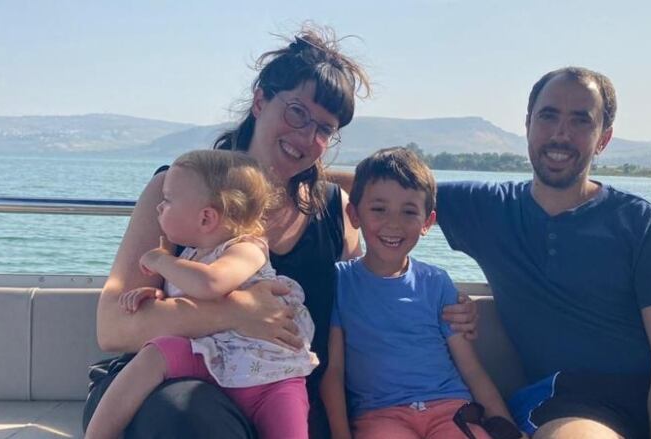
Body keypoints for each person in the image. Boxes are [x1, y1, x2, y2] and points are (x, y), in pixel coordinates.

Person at [84, 24, 477, 439]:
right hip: (172, 387)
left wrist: (446, 311)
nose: (306, 136)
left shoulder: (334, 212)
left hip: (280, 391)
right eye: (296, 113)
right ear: (259, 101)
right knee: (188, 415)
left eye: (324, 129)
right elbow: (113, 328)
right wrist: (235, 313)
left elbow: (367, 302)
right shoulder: (175, 192)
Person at [433, 67, 651, 438]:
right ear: (528, 124)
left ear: (603, 138)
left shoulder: (639, 222)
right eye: (549, 116)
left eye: (581, 120)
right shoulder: (487, 208)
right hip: (572, 396)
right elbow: (381, 190)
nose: (561, 133)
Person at [85, 150, 316, 439]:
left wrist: (161, 261)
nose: (158, 208)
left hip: (270, 379)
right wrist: (157, 295)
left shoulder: (247, 248)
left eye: (167, 201)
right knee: (153, 355)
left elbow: (211, 284)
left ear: (206, 218)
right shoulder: (193, 257)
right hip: (213, 358)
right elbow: (193, 297)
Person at [320, 147, 524, 439]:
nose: (394, 223)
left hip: (451, 409)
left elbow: (472, 369)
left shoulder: (437, 282)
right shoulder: (339, 282)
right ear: (354, 214)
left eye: (409, 212)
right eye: (379, 209)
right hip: (380, 414)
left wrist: (507, 428)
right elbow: (334, 371)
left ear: (427, 222)